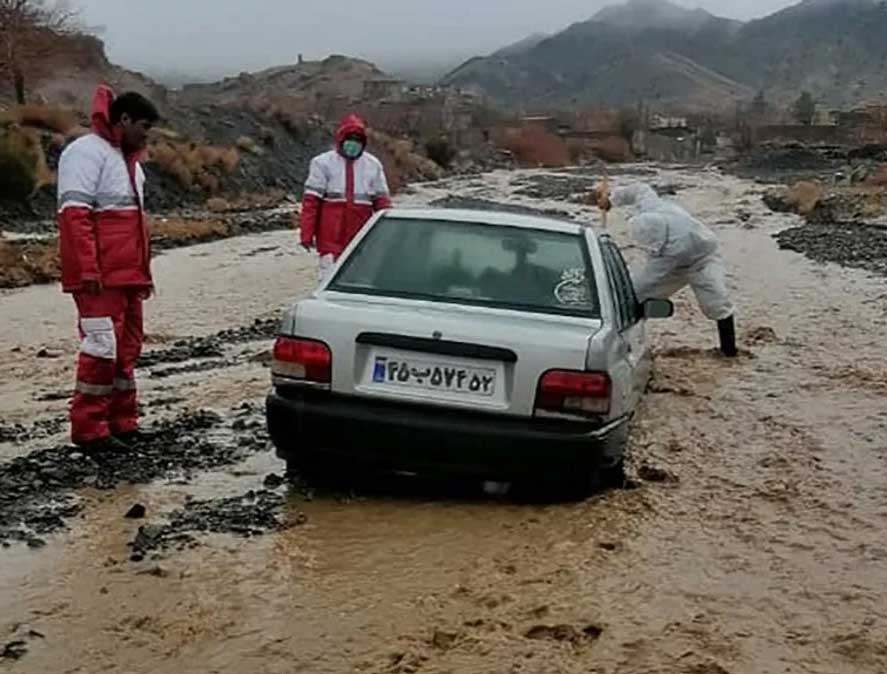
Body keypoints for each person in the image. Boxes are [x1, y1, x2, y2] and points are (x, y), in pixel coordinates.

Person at [57, 86, 159, 449]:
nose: (147, 135)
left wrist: (144, 275)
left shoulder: (130, 164)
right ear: (124, 120)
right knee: (101, 347)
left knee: (127, 349)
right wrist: (88, 271)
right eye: (144, 126)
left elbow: (135, 226)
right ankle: (89, 430)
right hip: (99, 279)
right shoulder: (85, 153)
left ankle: (121, 422)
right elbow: (74, 216)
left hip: (128, 277)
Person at [594, 182, 738, 357]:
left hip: (703, 260)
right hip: (677, 259)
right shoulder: (651, 207)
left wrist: (626, 292)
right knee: (636, 298)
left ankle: (729, 351)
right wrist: (612, 198)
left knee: (715, 301)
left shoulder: (672, 251)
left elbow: (648, 280)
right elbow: (640, 188)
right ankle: (626, 337)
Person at [300, 114, 392, 284]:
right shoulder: (322, 163)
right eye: (350, 139)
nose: (353, 143)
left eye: (358, 140)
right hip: (331, 236)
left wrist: (389, 234)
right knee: (329, 280)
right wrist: (306, 234)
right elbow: (311, 203)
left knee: (360, 280)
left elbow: (383, 204)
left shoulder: (373, 165)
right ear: (341, 139)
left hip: (362, 235)